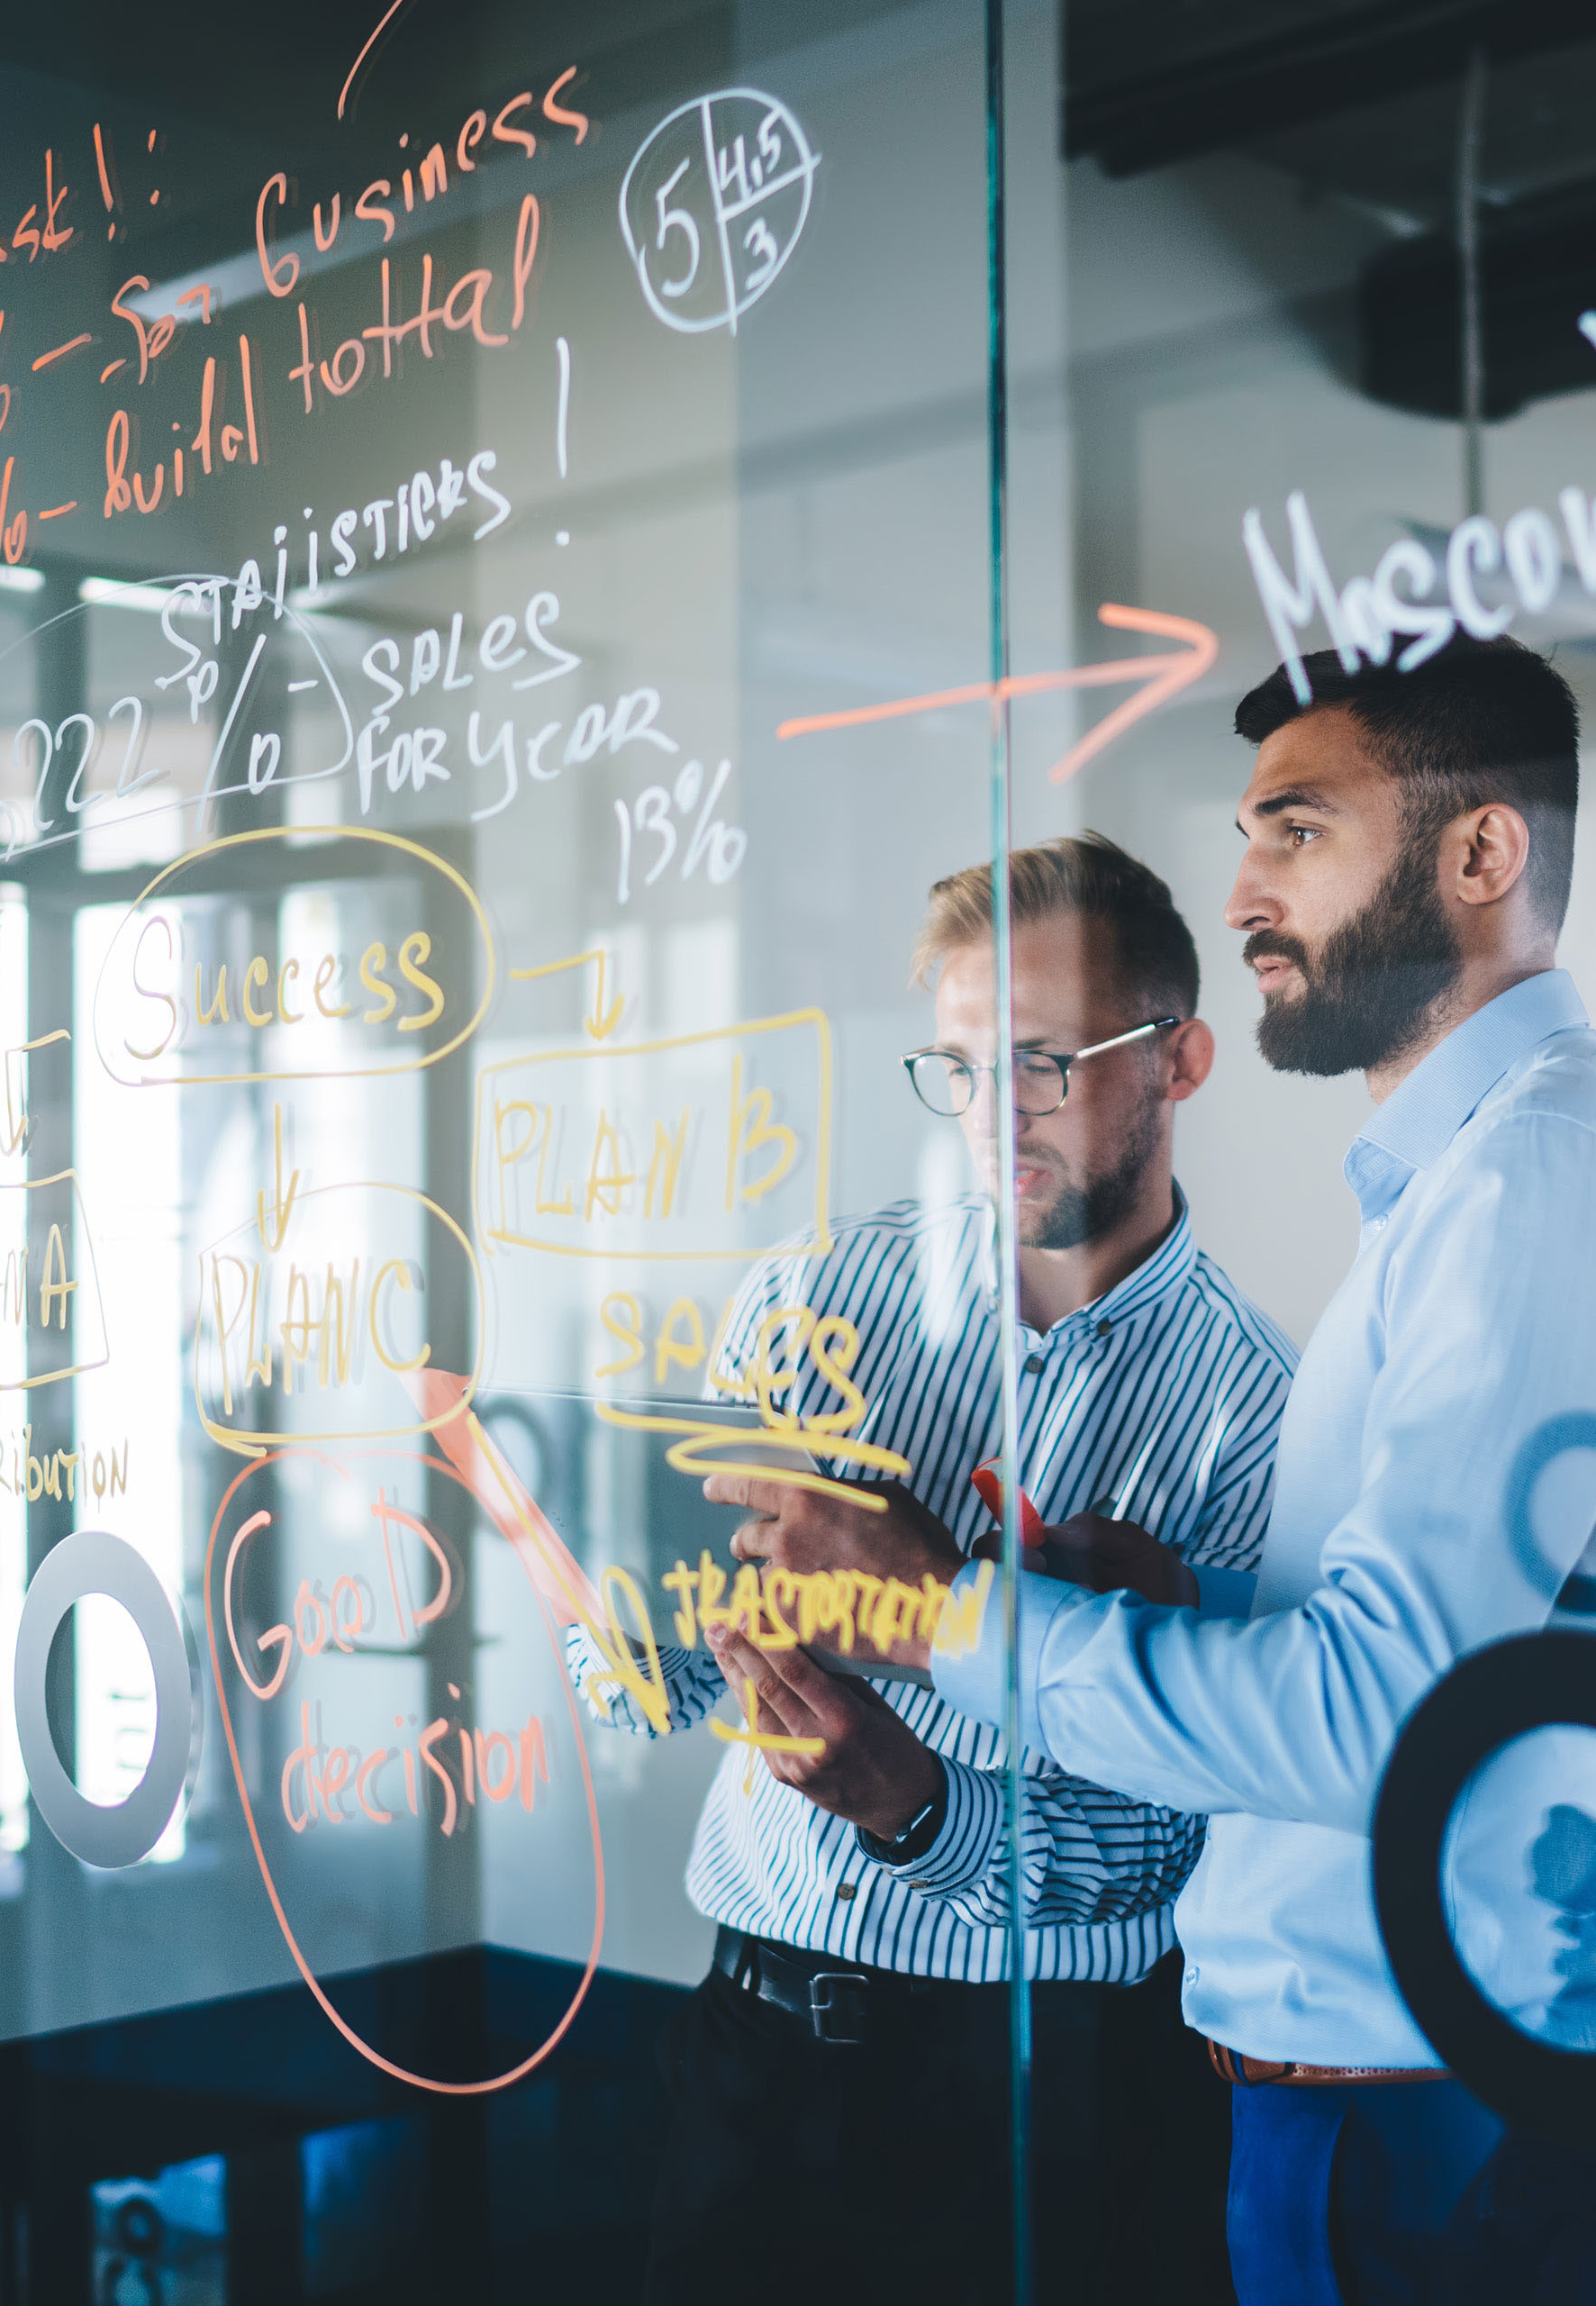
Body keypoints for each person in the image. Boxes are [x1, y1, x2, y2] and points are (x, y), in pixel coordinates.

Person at [730, 638, 1596, 2304]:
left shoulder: (1538, 1185)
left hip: (1440, 2119)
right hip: (1397, 2106)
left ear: (1480, 855)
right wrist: (1189, 1598)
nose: (1240, 892)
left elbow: (1387, 1722)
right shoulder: (1475, 1189)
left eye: (1296, 830)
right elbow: (1464, 1659)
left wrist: (945, 1619)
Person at [549, 833, 1297, 2306]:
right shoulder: (808, 1294)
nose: (988, 1114)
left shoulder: (1255, 1410)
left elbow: (1161, 1853)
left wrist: (913, 1804)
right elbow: (625, 1695)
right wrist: (647, 1616)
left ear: (1181, 1062)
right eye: (957, 1067)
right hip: (753, 2053)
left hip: (1053, 2096)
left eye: (1042, 1061)